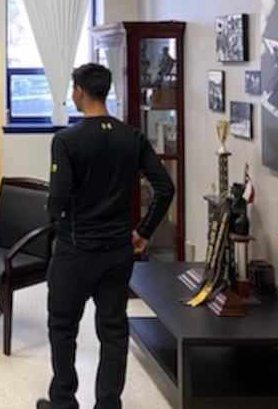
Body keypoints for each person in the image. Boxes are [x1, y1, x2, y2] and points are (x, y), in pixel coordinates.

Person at [37, 63, 175, 409]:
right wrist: (143, 231)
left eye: (73, 90)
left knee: (63, 326)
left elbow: (57, 199)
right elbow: (165, 187)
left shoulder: (67, 140)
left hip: (76, 250)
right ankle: (108, 404)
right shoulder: (131, 137)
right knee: (113, 329)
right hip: (118, 250)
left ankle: (64, 401)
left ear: (80, 92)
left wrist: (57, 214)